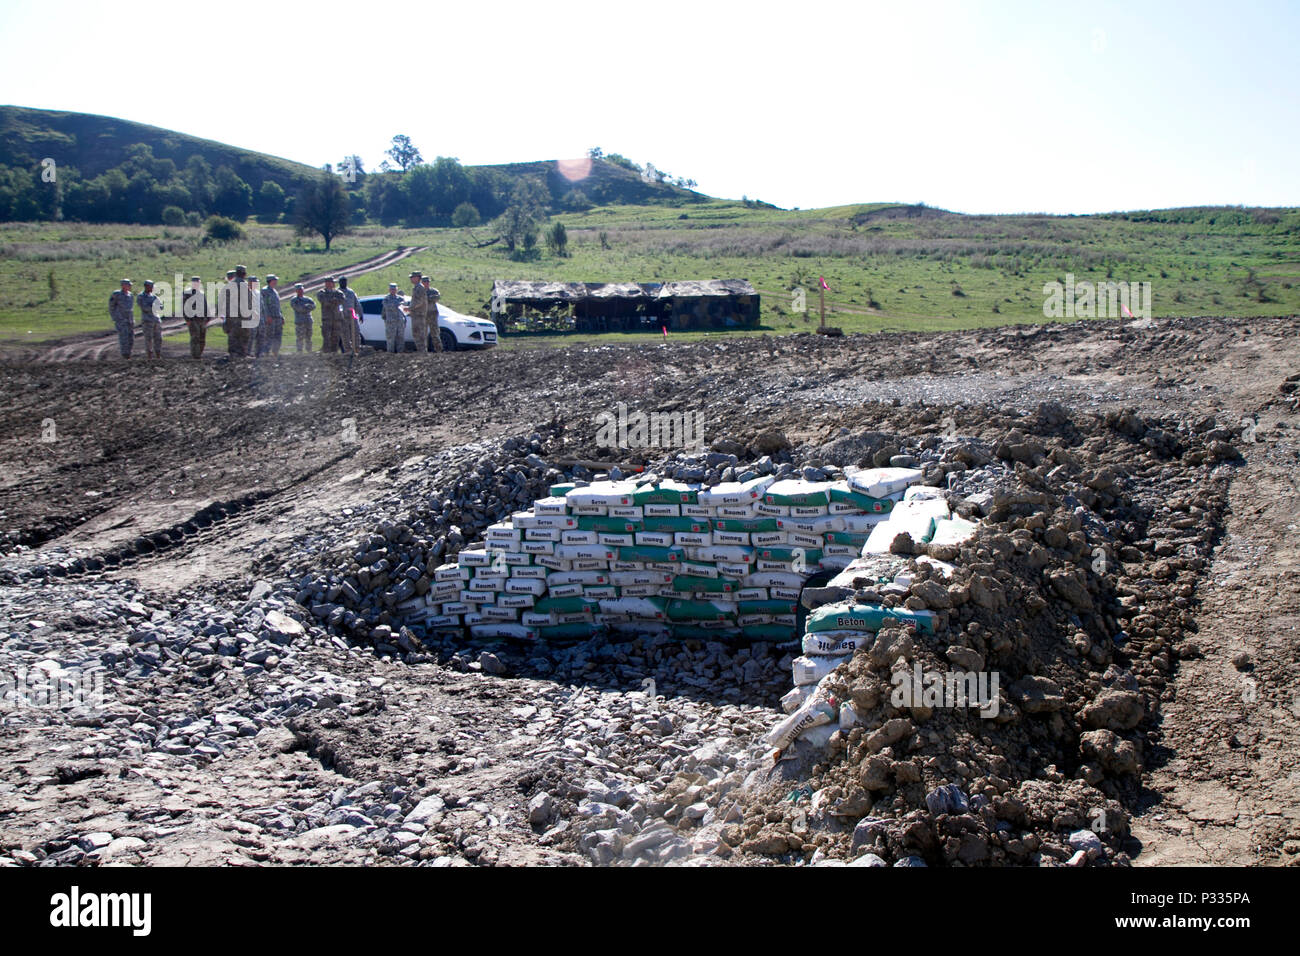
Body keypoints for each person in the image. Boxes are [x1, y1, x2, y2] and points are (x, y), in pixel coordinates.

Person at [316, 277, 346, 353]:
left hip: (336, 319)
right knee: (327, 337)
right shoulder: (322, 292)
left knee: (336, 338)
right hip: (327, 319)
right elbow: (324, 301)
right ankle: (326, 354)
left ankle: (334, 354)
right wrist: (333, 301)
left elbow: (342, 300)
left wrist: (333, 301)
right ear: (327, 283)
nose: (332, 284)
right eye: (330, 282)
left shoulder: (338, 292)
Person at [182, 275, 208, 359]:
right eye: (195, 282)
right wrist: (187, 319)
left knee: (202, 338)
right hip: (192, 319)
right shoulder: (187, 293)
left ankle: (199, 354)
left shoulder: (201, 293)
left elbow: (205, 306)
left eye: (198, 282)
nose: (196, 284)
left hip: (201, 319)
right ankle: (195, 355)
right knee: (195, 337)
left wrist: (207, 317)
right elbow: (184, 307)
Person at [137, 279, 164, 360]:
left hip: (156, 320)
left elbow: (161, 307)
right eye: (151, 287)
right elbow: (145, 308)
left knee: (158, 338)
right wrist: (154, 307)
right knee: (148, 339)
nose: (152, 288)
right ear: (146, 287)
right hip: (147, 320)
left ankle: (158, 355)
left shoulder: (154, 296)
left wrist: (154, 306)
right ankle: (149, 356)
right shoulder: (141, 296)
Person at [259, 274, 284, 358]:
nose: (276, 282)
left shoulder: (275, 291)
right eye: (274, 280)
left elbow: (278, 305)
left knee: (278, 335)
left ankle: (275, 351)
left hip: (277, 317)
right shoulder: (265, 291)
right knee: (269, 335)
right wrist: (267, 316)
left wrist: (281, 316)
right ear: (270, 281)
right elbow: (264, 305)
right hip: (271, 317)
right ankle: (266, 352)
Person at [109, 279, 134, 359]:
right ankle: (125, 355)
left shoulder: (130, 295)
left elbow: (131, 309)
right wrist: (116, 318)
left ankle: (129, 353)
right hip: (121, 320)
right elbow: (112, 307)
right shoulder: (117, 294)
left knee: (131, 338)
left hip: (129, 320)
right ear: (123, 285)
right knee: (124, 337)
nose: (130, 286)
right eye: (128, 285)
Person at [338, 276, 362, 355]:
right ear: (339, 283)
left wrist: (361, 314)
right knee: (345, 335)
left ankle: (357, 349)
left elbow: (357, 304)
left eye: (345, 281)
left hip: (352, 316)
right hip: (342, 317)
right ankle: (348, 351)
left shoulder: (351, 292)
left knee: (356, 333)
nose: (343, 283)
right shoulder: (337, 293)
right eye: (342, 282)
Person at [381, 282, 407, 354]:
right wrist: (396, 304)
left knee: (400, 338)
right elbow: (387, 307)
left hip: (400, 322)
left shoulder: (400, 298)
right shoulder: (386, 299)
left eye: (394, 289)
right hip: (391, 322)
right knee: (390, 339)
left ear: (396, 290)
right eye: (391, 289)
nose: (393, 290)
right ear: (389, 290)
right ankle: (390, 353)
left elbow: (404, 307)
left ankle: (400, 353)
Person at [289, 282, 316, 351]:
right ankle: (299, 351)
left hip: (308, 321)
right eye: (298, 290)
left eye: (301, 289)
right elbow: (298, 309)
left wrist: (307, 307)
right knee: (300, 337)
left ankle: (309, 350)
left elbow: (313, 306)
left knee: (309, 337)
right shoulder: (294, 300)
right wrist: (306, 307)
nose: (300, 291)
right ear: (296, 291)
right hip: (300, 321)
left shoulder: (308, 299)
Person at [420, 276, 444, 351]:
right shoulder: (419, 292)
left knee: (435, 333)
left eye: (427, 282)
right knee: (423, 334)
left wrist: (427, 298)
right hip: (423, 315)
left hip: (432, 315)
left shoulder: (434, 291)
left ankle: (438, 349)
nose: (426, 283)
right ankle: (424, 350)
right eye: (424, 282)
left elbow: (436, 297)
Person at [407, 269, 429, 354]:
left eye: (413, 277)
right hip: (416, 314)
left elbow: (420, 301)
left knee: (420, 334)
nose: (411, 279)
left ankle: (422, 353)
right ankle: (421, 352)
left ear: (417, 278)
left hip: (419, 315)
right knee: (416, 334)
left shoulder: (420, 288)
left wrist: (410, 308)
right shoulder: (416, 288)